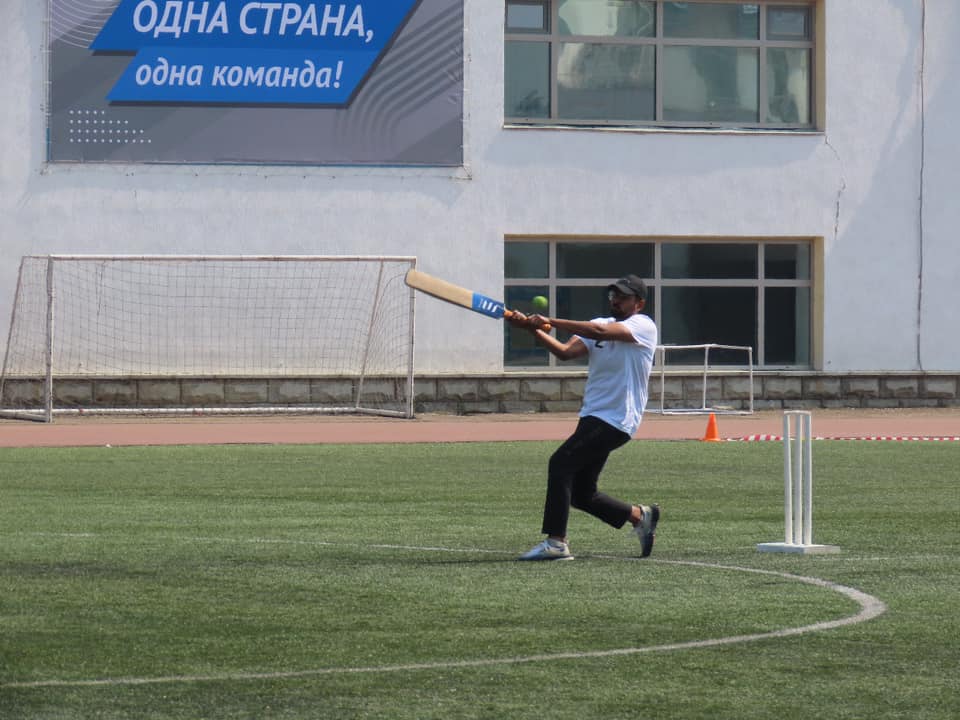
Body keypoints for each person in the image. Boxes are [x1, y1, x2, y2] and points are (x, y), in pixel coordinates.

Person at [508, 274, 660, 561]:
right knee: (581, 494)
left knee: (560, 463)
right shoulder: (598, 323)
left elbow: (599, 332)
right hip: (592, 415)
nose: (616, 300)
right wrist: (531, 329)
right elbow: (565, 352)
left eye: (623, 297)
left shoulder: (643, 326)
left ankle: (556, 542)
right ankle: (640, 516)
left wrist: (549, 321)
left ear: (639, 303)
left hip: (617, 418)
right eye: (613, 295)